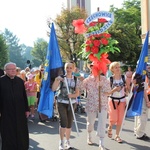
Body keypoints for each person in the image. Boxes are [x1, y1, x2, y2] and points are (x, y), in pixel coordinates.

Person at [78, 63, 111, 150]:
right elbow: (80, 88)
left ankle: (101, 142)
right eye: (93, 68)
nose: (95, 69)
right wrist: (80, 80)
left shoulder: (105, 80)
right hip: (91, 104)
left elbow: (108, 92)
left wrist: (102, 87)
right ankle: (89, 135)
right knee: (90, 123)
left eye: (97, 68)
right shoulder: (88, 80)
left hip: (102, 104)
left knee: (102, 123)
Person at [0, 62, 29, 150]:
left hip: (20, 111)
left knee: (21, 131)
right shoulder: (1, 81)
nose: (13, 71)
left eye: (14, 69)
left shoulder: (20, 81)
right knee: (8, 132)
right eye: (10, 69)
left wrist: (26, 109)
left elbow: (24, 96)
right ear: (5, 71)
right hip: (6, 112)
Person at [52, 62, 80, 150]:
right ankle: (61, 142)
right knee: (63, 122)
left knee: (69, 123)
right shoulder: (61, 78)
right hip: (61, 102)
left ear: (74, 69)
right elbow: (53, 89)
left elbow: (77, 93)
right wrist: (56, 80)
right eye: (67, 67)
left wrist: (72, 95)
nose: (68, 69)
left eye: (70, 68)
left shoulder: (75, 79)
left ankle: (68, 141)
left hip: (71, 103)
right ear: (65, 68)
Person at [107, 61, 127, 143]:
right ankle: (110, 127)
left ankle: (117, 135)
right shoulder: (110, 79)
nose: (118, 69)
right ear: (112, 69)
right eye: (116, 67)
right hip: (112, 100)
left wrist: (128, 89)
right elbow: (107, 92)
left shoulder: (123, 77)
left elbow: (127, 88)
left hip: (122, 100)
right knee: (113, 118)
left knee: (120, 119)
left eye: (119, 67)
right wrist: (114, 90)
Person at [133, 73, 150, 141]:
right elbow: (144, 91)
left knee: (138, 115)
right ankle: (140, 134)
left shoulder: (136, 74)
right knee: (143, 117)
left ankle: (136, 131)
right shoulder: (142, 76)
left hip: (137, 98)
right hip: (142, 99)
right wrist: (147, 101)